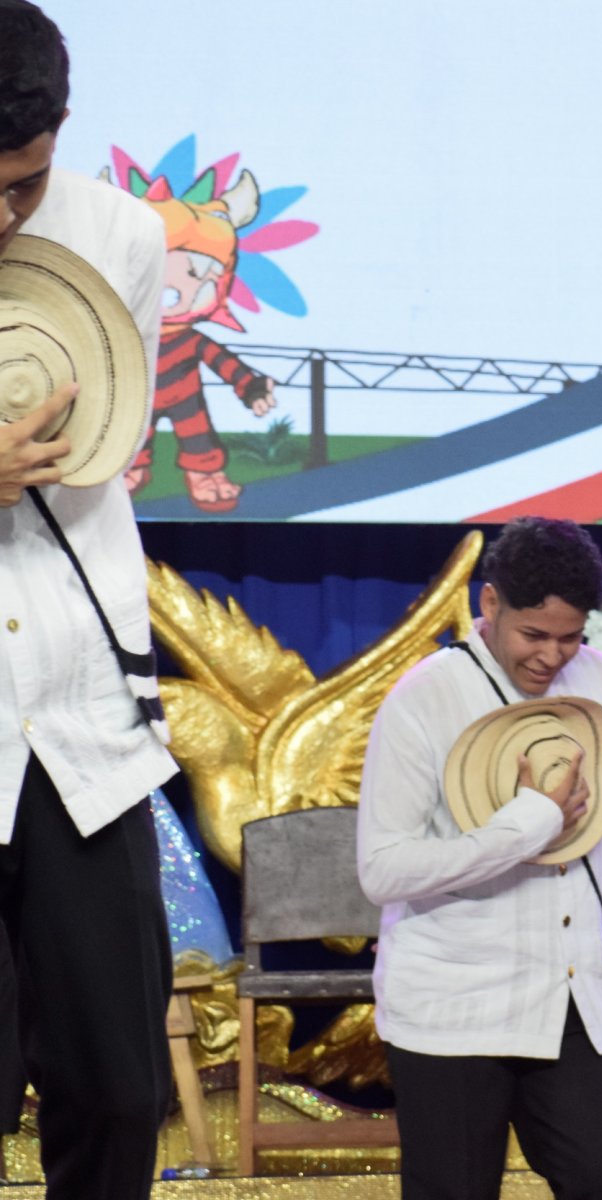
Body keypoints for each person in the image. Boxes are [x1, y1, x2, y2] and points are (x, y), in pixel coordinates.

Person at [0, 4, 178, 1195]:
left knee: (119, 1087)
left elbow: (114, 441)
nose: (3, 214)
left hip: (79, 720)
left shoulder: (121, 234)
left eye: (23, 184)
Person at [358, 517, 602, 1200]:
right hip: (454, 1004)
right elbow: (382, 869)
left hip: (572, 996)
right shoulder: (424, 697)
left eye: (570, 637)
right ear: (490, 603)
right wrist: (527, 825)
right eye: (533, 635)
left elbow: (598, 840)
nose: (551, 656)